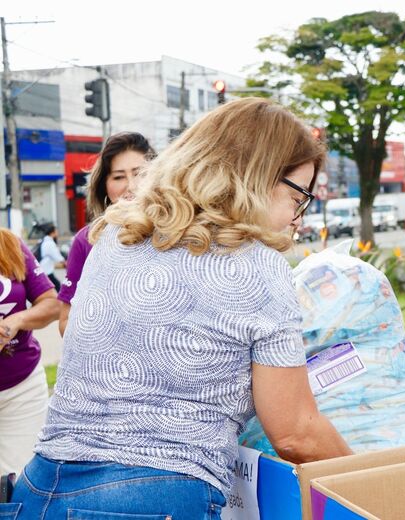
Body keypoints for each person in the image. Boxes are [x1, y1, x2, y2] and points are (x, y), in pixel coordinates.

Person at [11, 98, 352, 518]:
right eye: (299, 196)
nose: (298, 218)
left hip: (40, 486)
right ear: (259, 176)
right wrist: (372, 483)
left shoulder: (116, 233)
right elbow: (296, 433)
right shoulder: (257, 266)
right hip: (152, 496)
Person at [58, 132, 156, 336]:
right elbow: (65, 323)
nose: (131, 186)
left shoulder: (175, 234)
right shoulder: (87, 240)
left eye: (140, 173)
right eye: (119, 177)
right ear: (104, 185)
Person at [0, 229, 59, 477]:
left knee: (18, 481)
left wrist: (16, 321)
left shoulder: (8, 243)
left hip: (21, 389)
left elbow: (51, 303)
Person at [37, 223, 65, 292]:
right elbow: (57, 257)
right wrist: (66, 263)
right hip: (46, 270)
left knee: (53, 286)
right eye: (56, 231)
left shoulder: (45, 240)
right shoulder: (49, 243)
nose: (57, 233)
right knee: (57, 286)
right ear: (52, 233)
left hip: (44, 269)